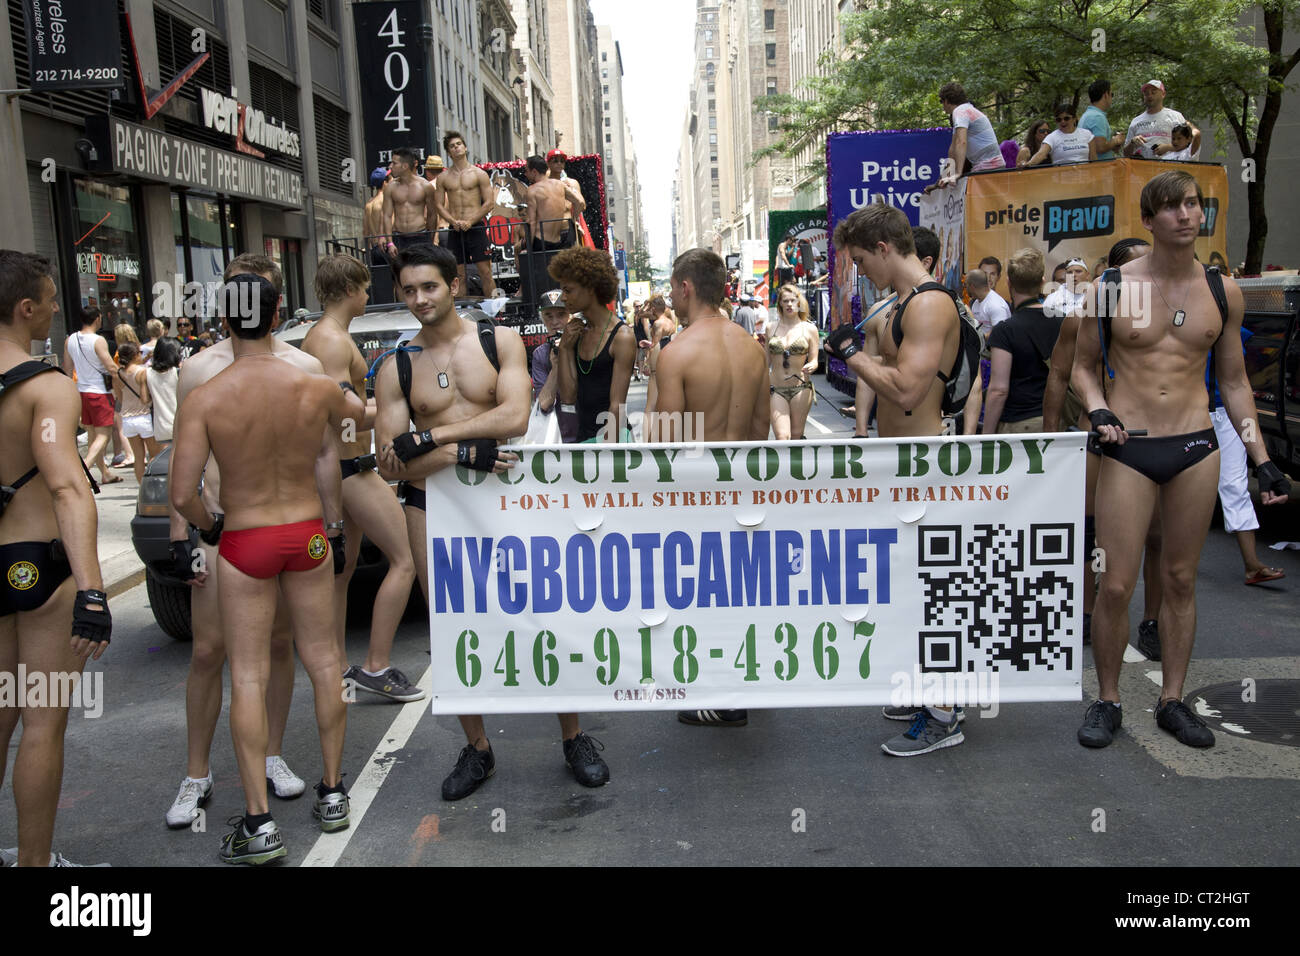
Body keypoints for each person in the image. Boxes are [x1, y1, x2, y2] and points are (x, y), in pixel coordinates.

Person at [374, 243, 608, 799]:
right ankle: (478, 750)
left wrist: (432, 437)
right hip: (430, 503)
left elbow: (514, 415)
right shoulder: (397, 365)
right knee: (453, 627)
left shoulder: (495, 339)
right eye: (408, 290)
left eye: (428, 286)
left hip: (505, 499)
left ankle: (573, 736)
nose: (418, 299)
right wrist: (461, 454)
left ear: (453, 285)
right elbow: (389, 458)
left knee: (541, 613)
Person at [1073, 170, 1290, 749]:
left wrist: (1261, 457)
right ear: (1148, 219)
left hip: (1196, 445)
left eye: (1192, 204)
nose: (1185, 215)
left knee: (1178, 580)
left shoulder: (1224, 291)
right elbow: (1082, 369)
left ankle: (1173, 698)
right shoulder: (1112, 286)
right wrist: (1098, 410)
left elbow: (1237, 382)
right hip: (1130, 447)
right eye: (1170, 207)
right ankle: (1108, 698)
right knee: (1115, 584)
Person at [172, 272, 361, 863]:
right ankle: (333, 793)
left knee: (247, 675)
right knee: (325, 660)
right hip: (306, 535)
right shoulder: (313, 383)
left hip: (246, 538)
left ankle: (258, 824)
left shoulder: (207, 395)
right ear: (279, 316)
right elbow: (361, 420)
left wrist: (210, 524)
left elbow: (181, 494)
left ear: (224, 321)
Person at [824, 204, 967, 755]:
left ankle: (945, 714)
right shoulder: (905, 302)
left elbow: (907, 391)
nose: (861, 272)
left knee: (937, 595)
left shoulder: (929, 304)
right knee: (914, 591)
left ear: (883, 248)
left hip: (928, 467)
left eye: (861, 260)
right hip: (908, 467)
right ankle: (929, 692)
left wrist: (848, 355)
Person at [0, 250, 111, 867]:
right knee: (41, 726)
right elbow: (69, 487)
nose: (51, 311)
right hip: (38, 565)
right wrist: (92, 592)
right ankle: (34, 867)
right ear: (25, 308)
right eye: (46, 300)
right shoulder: (48, 387)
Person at [652, 249, 770, 728]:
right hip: (742, 487)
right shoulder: (751, 346)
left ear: (685, 287)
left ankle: (720, 696)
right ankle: (741, 685)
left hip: (695, 494)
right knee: (740, 593)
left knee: (703, 597)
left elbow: (665, 442)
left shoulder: (676, 351)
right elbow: (762, 428)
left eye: (673, 290)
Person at [301, 253, 421, 702]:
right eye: (366, 288)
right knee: (405, 558)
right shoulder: (330, 341)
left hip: (342, 468)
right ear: (351, 289)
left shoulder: (327, 336)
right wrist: (399, 411)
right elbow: (343, 412)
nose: (369, 296)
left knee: (342, 571)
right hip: (348, 469)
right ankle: (376, 665)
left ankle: (334, 671)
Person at [1043, 237, 1151, 647]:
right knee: (1090, 531)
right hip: (1099, 436)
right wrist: (1051, 436)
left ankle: (1153, 620)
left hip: (1157, 438)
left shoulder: (1170, 311)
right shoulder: (1085, 316)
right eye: (1136, 266)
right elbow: (1059, 373)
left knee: (1154, 538)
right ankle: (1088, 610)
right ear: (1114, 274)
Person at [551, 247, 636, 442]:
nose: (563, 297)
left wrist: (607, 454)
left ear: (590, 288)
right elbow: (568, 398)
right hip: (585, 440)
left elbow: (617, 406)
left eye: (568, 290)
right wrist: (564, 348)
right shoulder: (575, 333)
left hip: (613, 441)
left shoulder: (622, 336)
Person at [981, 248, 1061, 434]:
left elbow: (998, 390)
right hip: (1057, 419)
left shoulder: (1004, 330)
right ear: (1042, 282)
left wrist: (986, 436)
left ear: (1009, 282)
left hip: (1019, 424)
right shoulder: (1063, 321)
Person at [433, 131, 498, 298]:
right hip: (455, 229)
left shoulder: (479, 174)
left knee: (485, 271)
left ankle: (495, 311)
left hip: (476, 227)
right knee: (458, 274)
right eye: (452, 146)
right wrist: (452, 221)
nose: (456, 148)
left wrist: (470, 221)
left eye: (458, 144)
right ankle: (461, 312)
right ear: (448, 152)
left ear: (465, 147)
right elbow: (438, 205)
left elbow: (489, 203)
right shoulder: (443, 177)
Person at [62, 306, 119, 485]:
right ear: (97, 319)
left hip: (81, 391)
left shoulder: (70, 339)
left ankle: (105, 473)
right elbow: (110, 367)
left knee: (93, 434)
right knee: (104, 435)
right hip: (99, 392)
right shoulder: (98, 340)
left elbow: (68, 369)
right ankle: (84, 469)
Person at [766, 284, 820, 440]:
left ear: (799, 303)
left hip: (801, 388)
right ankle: (783, 464)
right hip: (775, 389)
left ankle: (796, 465)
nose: (789, 304)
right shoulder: (771, 328)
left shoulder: (809, 329)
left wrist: (812, 365)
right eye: (785, 301)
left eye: (792, 300)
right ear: (780, 304)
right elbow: (765, 361)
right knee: (782, 436)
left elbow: (814, 359)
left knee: (796, 435)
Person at [531, 289, 580, 443]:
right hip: (560, 436)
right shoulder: (540, 354)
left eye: (561, 314)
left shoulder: (585, 345)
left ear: (571, 316)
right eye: (548, 316)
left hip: (590, 430)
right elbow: (544, 404)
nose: (554, 322)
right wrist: (556, 366)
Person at [936, 81, 1004, 186]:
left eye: (941, 101)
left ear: (947, 100)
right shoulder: (966, 110)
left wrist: (957, 173)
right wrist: (943, 179)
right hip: (990, 166)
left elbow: (961, 142)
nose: (942, 106)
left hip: (987, 167)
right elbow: (952, 150)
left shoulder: (960, 111)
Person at [112, 341, 159, 484]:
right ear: (134, 355)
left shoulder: (118, 374)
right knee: (154, 455)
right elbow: (145, 399)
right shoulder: (142, 372)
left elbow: (120, 397)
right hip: (143, 416)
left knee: (138, 457)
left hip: (127, 418)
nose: (141, 355)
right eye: (139, 352)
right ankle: (154, 485)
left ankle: (142, 487)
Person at [1123, 80, 1198, 159]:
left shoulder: (1175, 116)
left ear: (1163, 94)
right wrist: (1132, 143)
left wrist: (1168, 147)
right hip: (1143, 168)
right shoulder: (1136, 121)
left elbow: (1190, 145)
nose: (1150, 96)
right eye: (1146, 93)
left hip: (1170, 167)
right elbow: (1125, 154)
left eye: (1153, 92)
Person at [382, 147, 436, 254]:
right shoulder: (391, 187)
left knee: (421, 269)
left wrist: (430, 239)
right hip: (398, 237)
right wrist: (390, 243)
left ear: (405, 166)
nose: (390, 166)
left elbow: (432, 214)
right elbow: (387, 215)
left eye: (394, 163)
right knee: (400, 270)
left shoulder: (425, 186)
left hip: (420, 235)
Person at [1025, 104, 1097, 166]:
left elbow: (1094, 160)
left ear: (1074, 118)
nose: (1063, 121)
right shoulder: (1052, 137)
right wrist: (1029, 164)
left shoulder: (1087, 134)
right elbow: (1041, 154)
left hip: (1085, 178)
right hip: (1061, 179)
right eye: (1059, 119)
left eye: (1066, 118)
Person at [146, 336, 181, 445]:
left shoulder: (147, 373)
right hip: (180, 425)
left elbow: (146, 399)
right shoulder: (178, 372)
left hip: (161, 427)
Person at [1079, 79, 1125, 161]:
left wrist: (1112, 144)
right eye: (1112, 94)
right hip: (1100, 169)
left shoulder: (1087, 115)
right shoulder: (1097, 117)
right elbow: (1100, 147)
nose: (1111, 97)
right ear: (1106, 95)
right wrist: (1116, 140)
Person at [966, 267, 1011, 342]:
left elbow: (999, 333)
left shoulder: (996, 305)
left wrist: (978, 339)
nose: (965, 288)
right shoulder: (976, 303)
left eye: (966, 285)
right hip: (982, 349)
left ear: (972, 286)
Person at [364, 165, 390, 261]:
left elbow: (365, 232)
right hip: (386, 247)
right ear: (384, 182)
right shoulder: (385, 200)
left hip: (374, 249)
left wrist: (368, 251)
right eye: (389, 180)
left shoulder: (369, 204)